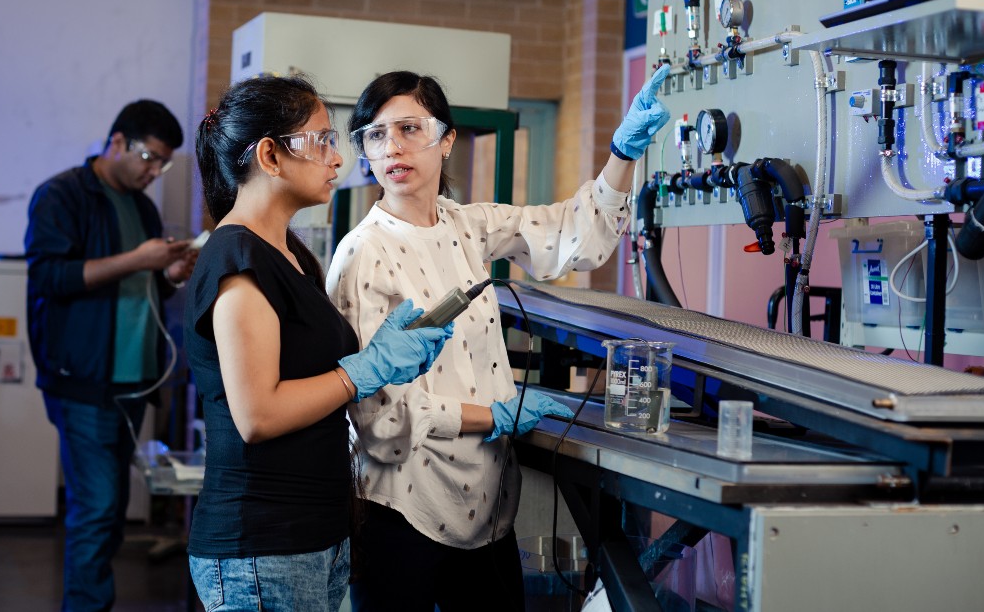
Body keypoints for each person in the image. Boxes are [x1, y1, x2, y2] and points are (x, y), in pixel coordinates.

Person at [326, 65, 672, 611]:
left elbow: (572, 233)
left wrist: (622, 154)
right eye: (375, 135)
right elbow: (381, 419)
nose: (392, 147)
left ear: (446, 140)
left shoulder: (467, 225)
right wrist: (494, 416)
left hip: (488, 506)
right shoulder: (362, 252)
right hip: (403, 509)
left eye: (410, 128)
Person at [185, 75, 453, 611]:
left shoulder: (288, 253)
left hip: (314, 534)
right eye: (322, 140)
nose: (337, 158)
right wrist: (361, 372)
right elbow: (257, 415)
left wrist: (378, 359)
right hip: (263, 542)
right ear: (270, 156)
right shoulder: (238, 259)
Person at [25, 99, 198, 612]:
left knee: (113, 505)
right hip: (83, 379)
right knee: (97, 506)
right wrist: (138, 259)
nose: (153, 171)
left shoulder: (142, 208)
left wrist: (167, 275)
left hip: (134, 380)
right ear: (117, 142)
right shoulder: (62, 195)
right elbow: (49, 277)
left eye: (163, 163)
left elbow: (141, 288)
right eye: (149, 158)